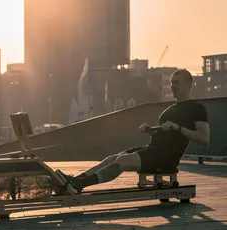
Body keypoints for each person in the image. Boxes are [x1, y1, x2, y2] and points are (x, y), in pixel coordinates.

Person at [57, 69, 210, 194]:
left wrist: (178, 128)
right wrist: (150, 130)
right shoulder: (170, 110)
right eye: (171, 83)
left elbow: (204, 138)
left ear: (189, 83)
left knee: (122, 162)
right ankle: (75, 180)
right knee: (113, 158)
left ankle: (79, 184)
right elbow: (165, 135)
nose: (172, 86)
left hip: (166, 157)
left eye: (176, 82)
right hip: (154, 150)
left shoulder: (196, 109)